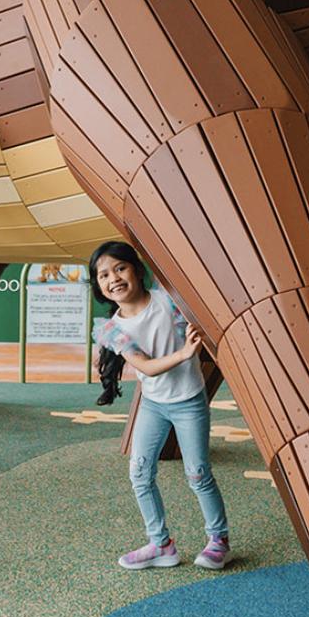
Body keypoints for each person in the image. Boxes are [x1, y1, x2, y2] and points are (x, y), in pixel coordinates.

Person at [90, 240, 231, 571]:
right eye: (103, 275)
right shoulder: (112, 329)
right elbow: (146, 366)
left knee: (197, 474)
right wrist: (184, 353)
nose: (113, 278)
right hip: (153, 405)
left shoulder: (168, 302)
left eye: (120, 268)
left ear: (136, 270)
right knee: (139, 473)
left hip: (189, 402)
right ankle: (161, 545)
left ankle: (218, 540)